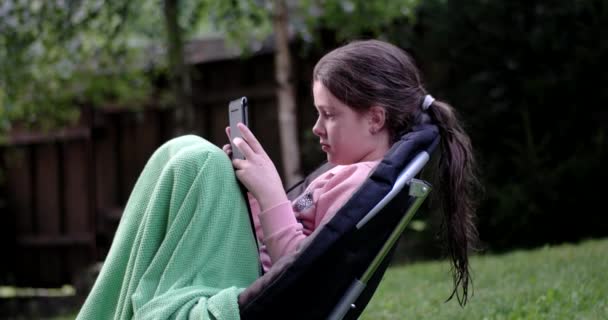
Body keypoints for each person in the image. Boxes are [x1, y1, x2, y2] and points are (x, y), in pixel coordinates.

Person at [76, 39, 479, 319]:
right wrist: (244, 185)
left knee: (195, 159)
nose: (316, 127)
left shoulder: (363, 185)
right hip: (245, 263)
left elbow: (305, 268)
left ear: (375, 118)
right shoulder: (342, 175)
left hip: (253, 287)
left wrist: (267, 187)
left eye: (330, 114)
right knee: (182, 154)